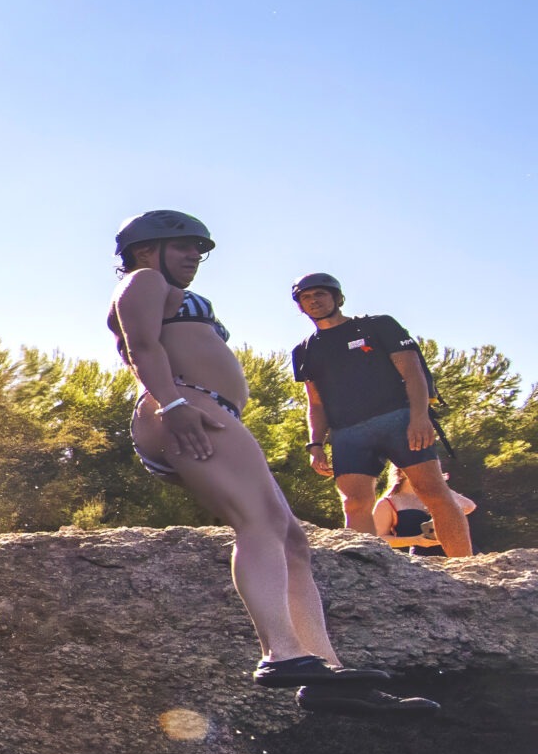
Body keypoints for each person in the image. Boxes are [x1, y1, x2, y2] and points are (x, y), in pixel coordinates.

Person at [108, 212, 431, 715]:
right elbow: (141, 345)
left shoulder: (165, 285)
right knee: (256, 524)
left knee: (292, 541)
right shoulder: (144, 280)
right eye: (184, 245)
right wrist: (172, 404)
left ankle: (325, 672)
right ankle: (280, 654)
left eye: (199, 247)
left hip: (203, 406)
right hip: (184, 404)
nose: (195, 255)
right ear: (147, 249)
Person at [290, 273, 474, 559]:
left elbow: (413, 373)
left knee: (433, 492)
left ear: (337, 297)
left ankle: (464, 567)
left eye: (321, 294)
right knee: (354, 503)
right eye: (306, 297)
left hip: (398, 419)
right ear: (300, 306)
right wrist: (315, 445)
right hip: (347, 431)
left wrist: (420, 417)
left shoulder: (378, 326)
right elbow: (315, 404)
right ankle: (366, 571)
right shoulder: (304, 350)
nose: (314, 301)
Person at [374, 467, 475, 561]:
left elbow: (469, 506)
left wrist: (441, 488)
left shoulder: (438, 494)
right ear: (401, 471)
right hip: (424, 562)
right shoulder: (387, 503)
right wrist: (416, 540)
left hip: (462, 554)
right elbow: (379, 539)